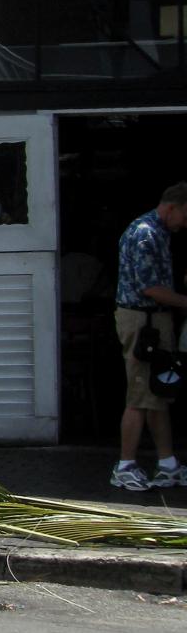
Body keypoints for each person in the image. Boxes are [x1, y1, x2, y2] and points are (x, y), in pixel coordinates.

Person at [111, 184, 187, 491]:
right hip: (143, 322)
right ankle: (125, 465)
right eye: (185, 215)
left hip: (155, 319)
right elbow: (149, 288)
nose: (185, 223)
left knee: (158, 392)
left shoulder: (161, 234)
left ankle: (167, 464)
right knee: (140, 393)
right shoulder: (145, 234)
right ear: (173, 207)